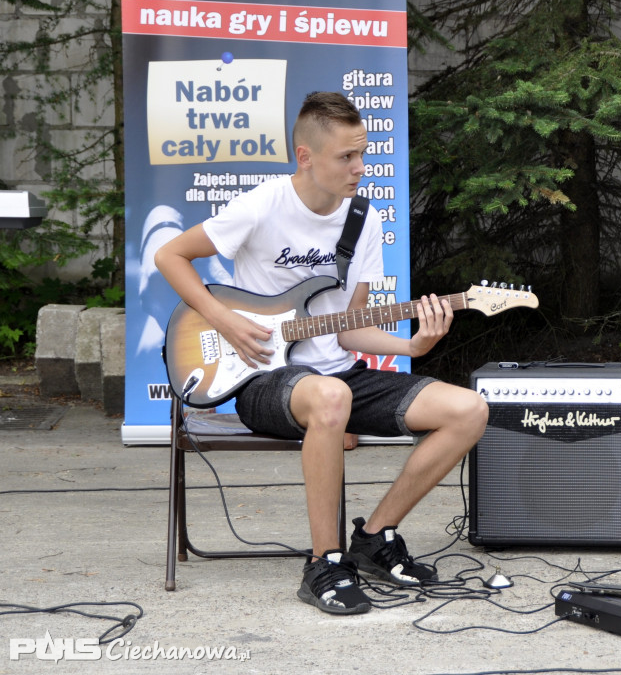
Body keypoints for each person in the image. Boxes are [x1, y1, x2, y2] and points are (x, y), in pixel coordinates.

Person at [155, 91, 489, 615]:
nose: (360, 167)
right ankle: (323, 565)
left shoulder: (363, 221)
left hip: (339, 377)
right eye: (346, 157)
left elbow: (351, 331)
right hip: (264, 381)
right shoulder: (263, 205)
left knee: (469, 409)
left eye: (363, 154)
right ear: (305, 156)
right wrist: (225, 319)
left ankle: (375, 539)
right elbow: (169, 254)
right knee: (330, 397)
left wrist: (411, 344)